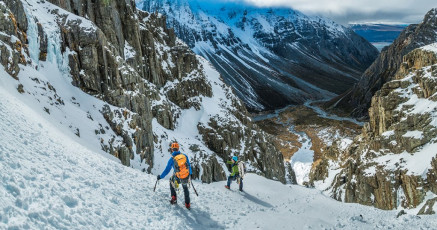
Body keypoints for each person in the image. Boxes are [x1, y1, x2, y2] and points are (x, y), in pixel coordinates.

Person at [157, 142, 193, 209]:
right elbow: (189, 166)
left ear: (172, 150)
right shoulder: (184, 156)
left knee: (171, 181)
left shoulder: (172, 159)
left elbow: (167, 170)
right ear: (178, 149)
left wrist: (160, 177)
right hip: (186, 176)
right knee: (185, 188)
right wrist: (190, 174)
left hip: (178, 177)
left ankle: (174, 198)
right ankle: (187, 204)